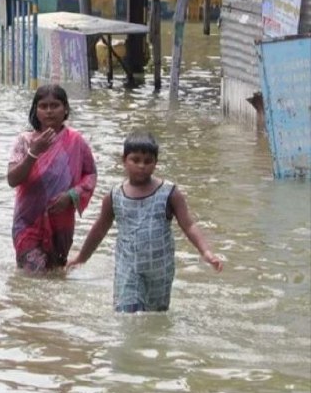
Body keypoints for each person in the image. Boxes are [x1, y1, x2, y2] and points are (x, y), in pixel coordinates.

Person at [67, 131, 223, 312]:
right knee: (128, 314)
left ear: (156, 163)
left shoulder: (169, 193)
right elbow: (100, 230)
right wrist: (81, 258)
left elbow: (188, 225)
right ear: (124, 160)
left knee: (155, 317)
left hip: (160, 269)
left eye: (148, 161)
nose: (142, 166)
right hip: (128, 268)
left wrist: (206, 251)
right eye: (136, 160)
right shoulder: (114, 196)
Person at [8, 84, 97, 273]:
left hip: (61, 221)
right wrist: (33, 153)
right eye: (43, 106)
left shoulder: (76, 141)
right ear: (36, 110)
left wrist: (72, 195)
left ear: (65, 109)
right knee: (32, 274)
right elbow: (12, 179)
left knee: (55, 275)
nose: (49, 111)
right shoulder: (24, 141)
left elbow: (90, 175)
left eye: (55, 105)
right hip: (27, 221)